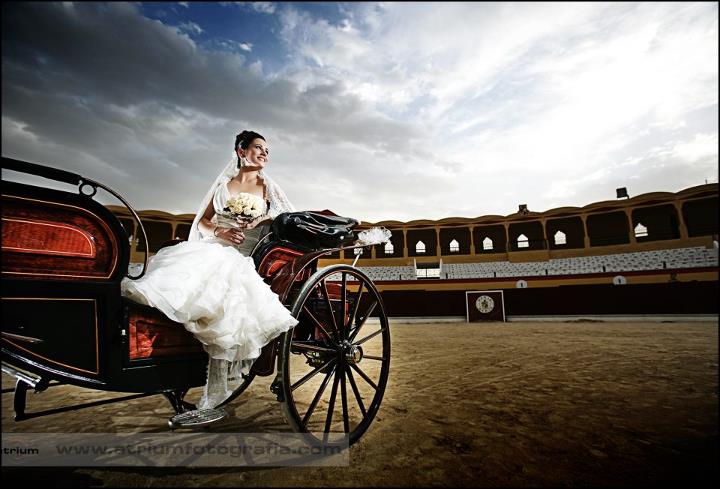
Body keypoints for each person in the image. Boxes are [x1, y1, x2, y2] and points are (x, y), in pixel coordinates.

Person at [121, 130, 298, 409]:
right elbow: (202, 221)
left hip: (244, 254)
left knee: (224, 285)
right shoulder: (223, 185)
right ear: (241, 151)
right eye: (258, 148)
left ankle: (215, 389)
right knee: (184, 277)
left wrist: (258, 220)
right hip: (214, 244)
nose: (265, 154)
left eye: (267, 150)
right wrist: (220, 230)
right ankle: (168, 352)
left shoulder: (268, 186)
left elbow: (285, 216)